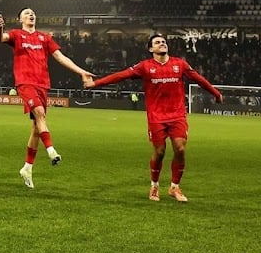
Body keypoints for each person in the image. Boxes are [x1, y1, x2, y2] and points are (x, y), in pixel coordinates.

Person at [86, 33, 222, 202]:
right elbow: (120, 76)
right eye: (157, 42)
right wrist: (95, 83)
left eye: (164, 42)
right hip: (156, 117)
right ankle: (154, 186)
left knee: (180, 149)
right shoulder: (145, 66)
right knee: (160, 152)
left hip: (177, 114)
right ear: (151, 49)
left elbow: (199, 79)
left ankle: (175, 187)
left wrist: (215, 93)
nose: (162, 44)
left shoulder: (180, 64)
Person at [0, 9, 94, 190]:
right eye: (26, 13)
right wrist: (0, 29)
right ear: (20, 19)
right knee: (40, 113)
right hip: (25, 82)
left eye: (32, 13)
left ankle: (27, 168)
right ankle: (51, 151)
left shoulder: (45, 37)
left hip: (43, 85)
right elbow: (0, 38)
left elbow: (60, 57)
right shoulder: (17, 35)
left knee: (36, 128)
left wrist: (81, 72)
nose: (31, 15)